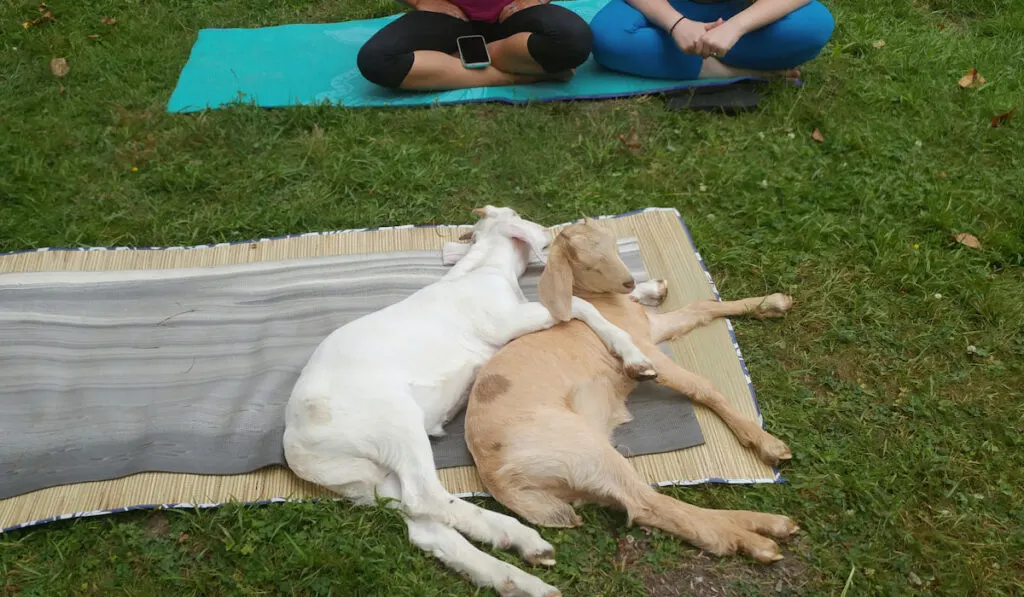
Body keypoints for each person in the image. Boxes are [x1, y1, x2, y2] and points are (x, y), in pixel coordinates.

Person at [357, 0, 593, 90]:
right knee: (377, 60)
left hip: (514, 13)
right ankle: (517, 76)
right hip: (451, 16)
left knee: (573, 41)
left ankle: (487, 54)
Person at [590, 0, 834, 81]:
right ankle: (733, 71)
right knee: (606, 36)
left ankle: (694, 56)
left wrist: (736, 27)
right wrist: (676, 23)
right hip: (670, 6)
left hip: (739, 10)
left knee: (814, 26)